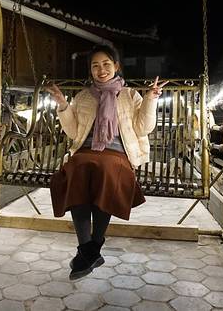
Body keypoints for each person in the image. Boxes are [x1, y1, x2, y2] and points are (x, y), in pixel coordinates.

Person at [45, 45, 167, 280]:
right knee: (77, 169)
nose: (101, 70)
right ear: (90, 70)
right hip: (86, 152)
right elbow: (73, 132)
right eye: (95, 66)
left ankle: (89, 250)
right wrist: (62, 104)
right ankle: (89, 249)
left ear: (116, 66)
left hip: (118, 154)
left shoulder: (130, 95)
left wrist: (150, 99)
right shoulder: (83, 97)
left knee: (105, 170)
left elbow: (143, 128)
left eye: (106, 64)